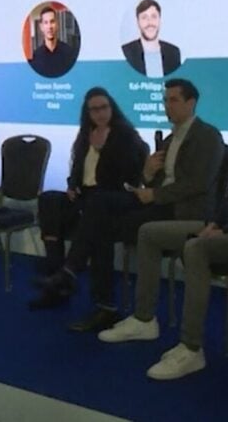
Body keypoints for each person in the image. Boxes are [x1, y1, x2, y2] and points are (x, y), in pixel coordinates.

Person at [99, 74, 228, 382]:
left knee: (195, 247)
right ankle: (144, 319)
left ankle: (191, 347)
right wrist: (216, 223)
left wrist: (226, 230)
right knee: (149, 233)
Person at [34, 79, 224, 331]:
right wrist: (147, 174)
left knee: (99, 211)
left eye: (174, 100)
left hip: (182, 210)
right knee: (83, 212)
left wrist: (153, 193)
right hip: (149, 201)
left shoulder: (207, 135)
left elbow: (198, 184)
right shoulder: (169, 140)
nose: (168, 106)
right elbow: (147, 179)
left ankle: (76, 279)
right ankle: (87, 292)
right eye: (165, 100)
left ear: (191, 103)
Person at [31, 87, 144, 309]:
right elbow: (77, 171)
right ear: (88, 113)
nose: (100, 113)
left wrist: (104, 151)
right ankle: (57, 275)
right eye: (94, 110)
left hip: (111, 195)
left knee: (95, 208)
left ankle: (68, 272)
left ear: (112, 108)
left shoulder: (125, 135)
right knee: (49, 200)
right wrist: (72, 186)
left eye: (104, 108)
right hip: (86, 195)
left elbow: (128, 176)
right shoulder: (85, 135)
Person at [121, 0, 182, 77]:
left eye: (153, 17)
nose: (149, 22)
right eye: (144, 17)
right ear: (138, 22)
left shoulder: (173, 52)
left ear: (159, 20)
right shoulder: (127, 51)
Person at [28, 5, 78, 78]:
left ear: (57, 24)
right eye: (46, 22)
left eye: (52, 22)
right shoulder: (35, 57)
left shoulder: (69, 53)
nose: (49, 27)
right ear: (41, 27)